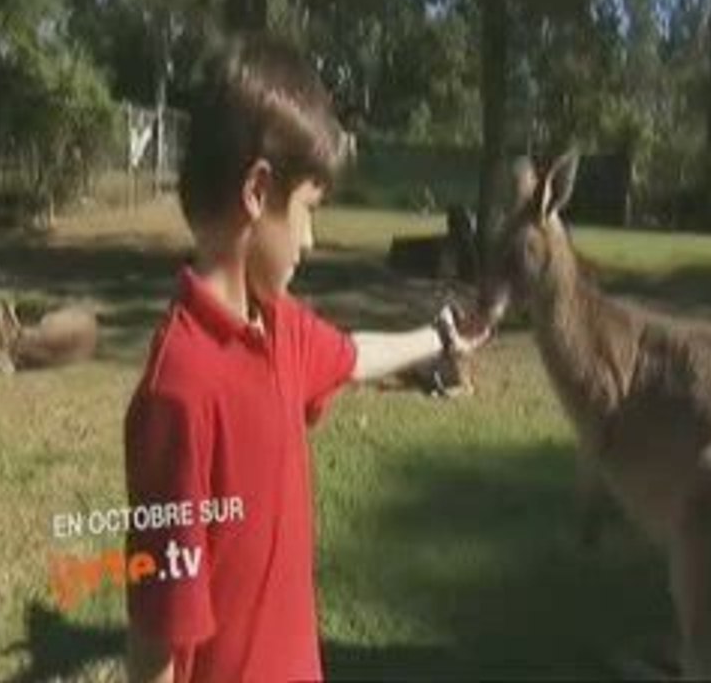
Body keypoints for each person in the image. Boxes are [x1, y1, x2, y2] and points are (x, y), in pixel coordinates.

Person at [124, 35, 491, 683]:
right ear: (258, 191)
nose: (311, 240)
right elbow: (156, 642)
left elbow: (353, 355)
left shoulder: (280, 326)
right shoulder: (177, 392)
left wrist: (439, 336)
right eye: (308, 211)